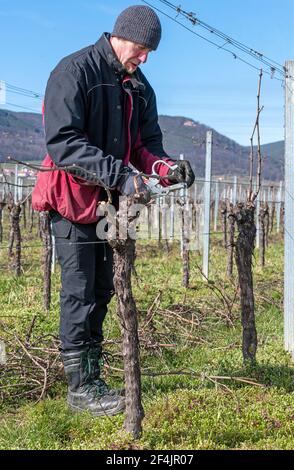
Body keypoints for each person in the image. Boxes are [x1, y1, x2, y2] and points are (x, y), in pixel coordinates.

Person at [32, 5, 195, 417]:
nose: (145, 58)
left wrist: (165, 168)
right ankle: (80, 389)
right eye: (141, 49)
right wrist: (120, 175)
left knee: (105, 289)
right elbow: (64, 142)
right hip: (72, 199)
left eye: (149, 53)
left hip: (114, 208)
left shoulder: (140, 88)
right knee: (80, 293)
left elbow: (146, 144)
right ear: (121, 36)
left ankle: (93, 376)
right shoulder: (74, 72)